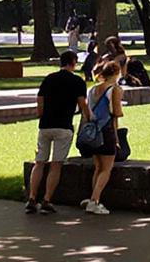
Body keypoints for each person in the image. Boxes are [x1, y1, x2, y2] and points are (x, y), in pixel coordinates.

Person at [25, 50, 86, 214]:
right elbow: (82, 104)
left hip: (45, 125)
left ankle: (31, 197)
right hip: (63, 126)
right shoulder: (77, 81)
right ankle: (46, 199)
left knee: (39, 162)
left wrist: (41, 114)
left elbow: (40, 101)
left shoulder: (49, 79)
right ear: (73, 62)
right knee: (56, 165)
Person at [78, 57, 125, 216]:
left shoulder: (93, 89)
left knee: (98, 167)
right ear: (116, 73)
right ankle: (95, 200)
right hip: (106, 130)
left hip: (93, 131)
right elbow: (117, 112)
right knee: (107, 168)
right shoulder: (114, 89)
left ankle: (93, 197)